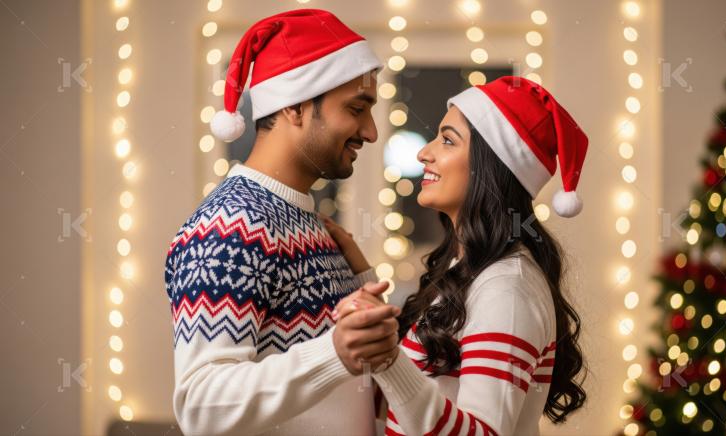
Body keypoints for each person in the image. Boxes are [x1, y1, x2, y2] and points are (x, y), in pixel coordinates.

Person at [164, 9, 400, 435]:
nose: (370, 132)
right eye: (356, 108)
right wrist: (334, 353)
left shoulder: (309, 223)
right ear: (294, 107)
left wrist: (362, 282)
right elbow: (201, 405)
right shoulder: (229, 226)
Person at [325, 76, 589, 435]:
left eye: (448, 140)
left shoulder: (507, 290)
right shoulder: (471, 269)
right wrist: (361, 274)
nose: (424, 153)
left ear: (491, 165)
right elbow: (417, 402)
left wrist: (389, 360)